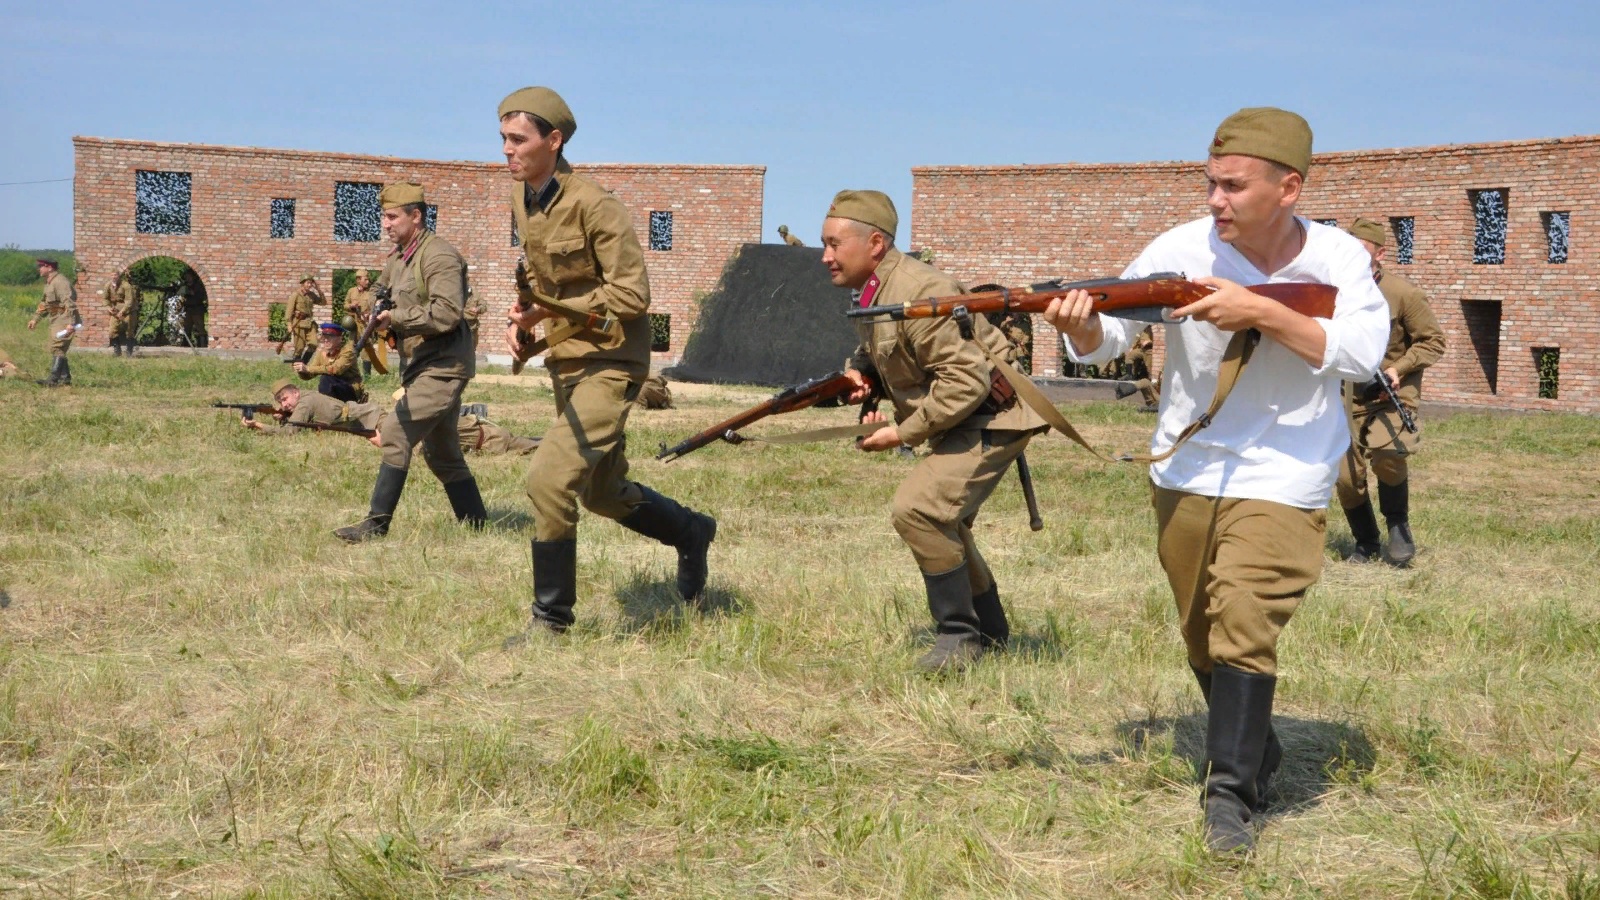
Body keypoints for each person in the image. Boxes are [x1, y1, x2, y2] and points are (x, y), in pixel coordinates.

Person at [1043, 108, 1388, 854]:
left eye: (1232, 186)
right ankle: (1255, 744)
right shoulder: (1178, 248)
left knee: (1242, 615)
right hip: (1188, 464)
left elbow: (1361, 353)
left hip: (1287, 469)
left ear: (1288, 187)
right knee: (1202, 629)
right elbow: (1112, 336)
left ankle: (1229, 796)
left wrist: (1257, 309)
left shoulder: (1337, 259)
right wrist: (1077, 328)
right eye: (1211, 183)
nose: (1215, 200)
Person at [500, 85, 716, 637]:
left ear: (553, 141)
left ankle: (550, 620)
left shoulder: (596, 205)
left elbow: (630, 298)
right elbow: (548, 285)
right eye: (503, 138)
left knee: (548, 479)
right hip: (567, 361)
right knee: (601, 491)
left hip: (612, 361)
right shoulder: (521, 200)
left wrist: (547, 310)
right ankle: (691, 532)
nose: (507, 149)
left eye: (517, 139)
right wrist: (529, 325)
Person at [825, 190, 1044, 673]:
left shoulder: (919, 290)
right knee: (942, 519)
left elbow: (967, 379)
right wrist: (864, 377)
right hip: (963, 416)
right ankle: (991, 632)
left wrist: (902, 433)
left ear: (875, 244)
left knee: (920, 510)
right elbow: (890, 353)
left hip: (993, 414)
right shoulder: (875, 291)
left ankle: (958, 635)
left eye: (834, 244)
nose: (825, 256)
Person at [334, 182, 486, 543]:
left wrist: (396, 319)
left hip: (445, 364)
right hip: (418, 363)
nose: (384, 224)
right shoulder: (398, 257)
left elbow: (448, 313)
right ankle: (477, 523)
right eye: (383, 217)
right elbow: (381, 293)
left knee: (396, 433)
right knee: (442, 452)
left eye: (392, 217)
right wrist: (372, 308)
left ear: (415, 216)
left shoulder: (439, 257)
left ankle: (376, 525)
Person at [1335, 217, 1446, 566]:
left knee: (1389, 455)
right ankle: (1365, 541)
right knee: (1345, 477)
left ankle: (1398, 526)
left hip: (1390, 394)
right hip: (1342, 395)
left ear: (1380, 253)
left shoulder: (1403, 294)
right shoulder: (1331, 292)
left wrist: (1398, 369)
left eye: (1361, 251)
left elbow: (1434, 342)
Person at [246, 381, 539, 455]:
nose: (284, 404)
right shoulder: (414, 419)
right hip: (481, 436)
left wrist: (263, 427)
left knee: (530, 445)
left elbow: (294, 430)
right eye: (281, 402)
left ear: (295, 393)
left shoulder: (307, 400)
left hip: (490, 440)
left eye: (285, 399)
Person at [27, 258, 79, 387]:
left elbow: (69, 302)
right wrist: (35, 319)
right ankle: (65, 378)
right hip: (56, 319)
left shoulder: (60, 282)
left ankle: (53, 379)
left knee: (57, 347)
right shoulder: (49, 283)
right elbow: (45, 303)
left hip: (65, 318)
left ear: (49, 268)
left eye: (41, 266)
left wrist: (71, 323)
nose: (39, 268)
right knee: (57, 348)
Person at [294, 321, 366, 402]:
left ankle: (331, 408)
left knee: (326, 378)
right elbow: (309, 375)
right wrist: (301, 370)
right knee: (325, 381)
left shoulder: (347, 351)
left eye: (329, 337)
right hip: (334, 389)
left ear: (340, 338)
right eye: (323, 337)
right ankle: (329, 408)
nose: (325, 340)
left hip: (351, 390)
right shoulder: (321, 353)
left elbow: (336, 370)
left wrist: (308, 368)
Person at [1113, 326, 1160, 410]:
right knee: (1145, 381)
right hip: (1142, 349)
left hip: (1167, 402)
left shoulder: (1156, 328)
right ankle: (1123, 389)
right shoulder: (1144, 328)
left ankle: (1153, 407)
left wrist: (1150, 342)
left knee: (1150, 376)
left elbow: (1161, 342)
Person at [280, 274, 324, 358]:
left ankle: (304, 363)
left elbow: (323, 302)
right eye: (308, 283)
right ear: (302, 283)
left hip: (310, 323)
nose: (310, 285)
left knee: (314, 344)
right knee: (299, 348)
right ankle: (296, 366)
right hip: (299, 323)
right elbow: (289, 311)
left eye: (311, 283)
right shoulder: (296, 295)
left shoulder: (311, 295)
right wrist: (289, 325)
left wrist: (318, 289)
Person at [105, 269, 141, 357]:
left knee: (129, 331)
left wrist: (123, 311)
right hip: (116, 311)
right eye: (112, 275)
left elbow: (129, 300)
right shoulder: (108, 285)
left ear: (119, 276)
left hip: (129, 310)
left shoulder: (126, 285)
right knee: (112, 331)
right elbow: (105, 298)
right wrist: (108, 307)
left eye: (115, 275)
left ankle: (129, 352)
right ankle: (117, 351)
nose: (114, 277)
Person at [179, 269, 207, 347]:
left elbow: (201, 297)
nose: (187, 278)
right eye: (186, 276)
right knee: (187, 328)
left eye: (189, 276)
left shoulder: (198, 286)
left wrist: (192, 293)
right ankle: (186, 345)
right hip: (188, 309)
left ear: (193, 277)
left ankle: (202, 345)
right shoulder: (185, 285)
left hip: (197, 309)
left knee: (200, 328)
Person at [462, 285, 486, 351]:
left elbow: (484, 306)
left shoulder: (475, 294)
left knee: (471, 347)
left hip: (471, 326)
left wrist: (477, 309)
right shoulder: (456, 292)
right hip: (459, 324)